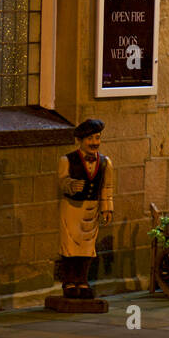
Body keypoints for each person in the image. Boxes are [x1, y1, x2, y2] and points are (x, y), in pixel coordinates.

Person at [55, 118, 114, 299]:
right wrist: (71, 185)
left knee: (88, 247)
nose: (95, 143)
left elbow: (107, 187)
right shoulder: (67, 160)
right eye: (90, 139)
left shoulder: (105, 163)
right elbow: (61, 181)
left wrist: (107, 208)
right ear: (80, 140)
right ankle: (69, 282)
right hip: (72, 209)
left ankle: (83, 280)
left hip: (92, 208)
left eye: (97, 138)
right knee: (71, 245)